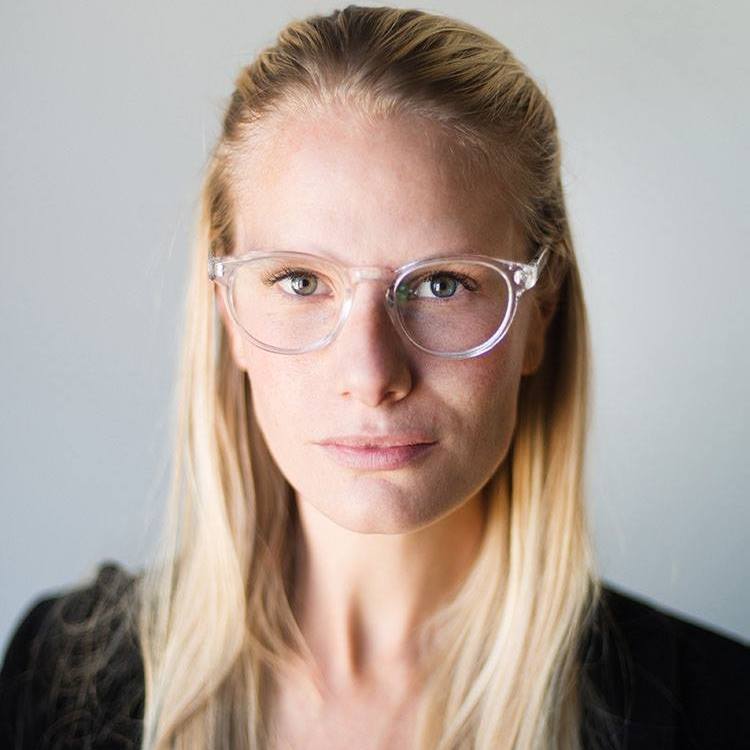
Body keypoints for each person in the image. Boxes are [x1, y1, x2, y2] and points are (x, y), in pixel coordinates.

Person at [1, 5, 748, 749]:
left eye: (442, 285)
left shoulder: (717, 713)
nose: (371, 374)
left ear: (540, 315)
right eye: (300, 281)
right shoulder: (55, 679)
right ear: (227, 311)